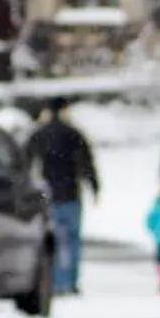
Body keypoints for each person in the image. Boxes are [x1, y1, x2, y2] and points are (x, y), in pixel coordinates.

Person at [27, 97, 99, 296]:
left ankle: (56, 282)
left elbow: (26, 162)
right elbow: (87, 163)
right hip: (71, 194)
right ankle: (71, 281)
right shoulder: (74, 134)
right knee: (73, 240)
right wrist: (95, 187)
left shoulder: (39, 134)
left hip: (49, 195)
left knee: (54, 241)